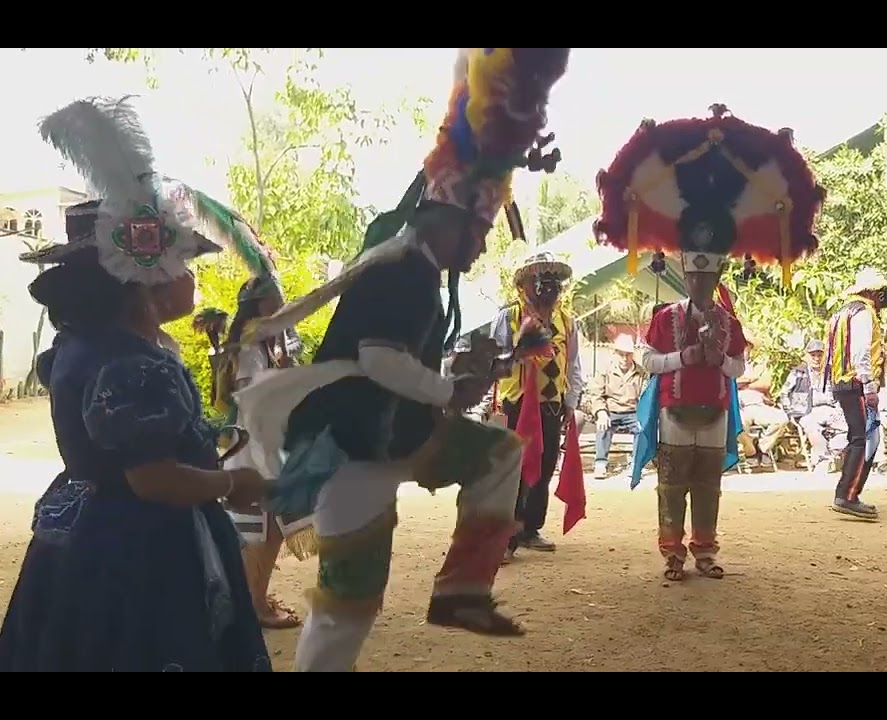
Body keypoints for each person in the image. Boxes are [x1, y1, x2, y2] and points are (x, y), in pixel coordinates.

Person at [234, 48, 571, 670]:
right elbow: (381, 361)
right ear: (451, 219)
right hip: (352, 451)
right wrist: (447, 391)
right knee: (349, 601)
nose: (482, 246)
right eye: (482, 231)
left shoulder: (416, 269)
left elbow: (399, 367)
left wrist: (467, 375)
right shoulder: (406, 273)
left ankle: (462, 590)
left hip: (393, 437)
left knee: (498, 455)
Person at [0, 97, 272, 671]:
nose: (192, 276)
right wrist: (229, 481)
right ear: (146, 281)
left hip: (83, 544)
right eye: (183, 263)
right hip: (141, 552)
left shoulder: (84, 347)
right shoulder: (132, 363)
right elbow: (152, 478)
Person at [595, 105, 823, 581]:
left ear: (717, 275)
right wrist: (685, 356)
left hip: (715, 412)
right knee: (672, 483)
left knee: (709, 485)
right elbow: (647, 361)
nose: (701, 282)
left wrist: (718, 359)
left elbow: (740, 368)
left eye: (708, 275)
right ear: (685, 276)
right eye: (695, 275)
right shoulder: (667, 316)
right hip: (675, 414)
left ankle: (704, 550)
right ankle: (672, 552)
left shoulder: (727, 320)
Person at [220, 276, 317, 629]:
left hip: (263, 445)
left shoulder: (259, 345)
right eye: (278, 302)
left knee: (270, 529)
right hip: (255, 449)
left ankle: (256, 597)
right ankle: (254, 604)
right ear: (263, 307)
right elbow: (254, 403)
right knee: (259, 531)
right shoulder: (249, 348)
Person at [490, 251, 585, 557]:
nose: (548, 286)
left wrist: (570, 402)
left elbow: (573, 365)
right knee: (513, 470)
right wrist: (518, 348)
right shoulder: (508, 317)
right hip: (517, 403)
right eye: (539, 279)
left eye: (554, 280)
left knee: (543, 468)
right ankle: (505, 537)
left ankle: (531, 528)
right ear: (524, 285)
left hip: (551, 404)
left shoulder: (567, 323)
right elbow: (493, 360)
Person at [824, 268, 887, 520]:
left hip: (843, 382)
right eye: (881, 292)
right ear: (871, 292)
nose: (885, 298)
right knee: (863, 438)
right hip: (856, 383)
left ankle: (848, 491)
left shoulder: (843, 312)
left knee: (864, 437)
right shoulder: (864, 313)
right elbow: (861, 352)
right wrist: (868, 386)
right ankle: (847, 495)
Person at [584, 334, 644, 478]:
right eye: (621, 354)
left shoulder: (641, 372)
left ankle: (635, 463)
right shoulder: (605, 370)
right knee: (603, 425)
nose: (624, 358)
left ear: (632, 355)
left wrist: (644, 415)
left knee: (643, 428)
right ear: (615, 353)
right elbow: (596, 393)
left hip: (633, 411)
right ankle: (600, 462)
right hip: (610, 410)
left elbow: (644, 396)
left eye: (628, 354)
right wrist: (600, 412)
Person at [782, 340, 847, 469]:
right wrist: (790, 412)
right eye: (813, 355)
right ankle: (822, 460)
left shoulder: (833, 372)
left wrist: (841, 408)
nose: (817, 359)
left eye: (820, 355)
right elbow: (784, 393)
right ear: (807, 356)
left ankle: (833, 453)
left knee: (851, 426)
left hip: (831, 409)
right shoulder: (798, 372)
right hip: (807, 410)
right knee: (812, 426)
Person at [736, 335, 790, 467]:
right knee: (737, 424)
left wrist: (742, 383)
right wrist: (751, 379)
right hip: (739, 406)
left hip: (758, 405)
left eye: (745, 346)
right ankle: (750, 451)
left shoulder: (758, 365)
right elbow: (728, 384)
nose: (743, 350)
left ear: (750, 348)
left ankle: (762, 448)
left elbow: (766, 383)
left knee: (781, 419)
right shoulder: (730, 366)